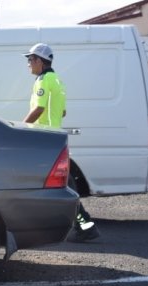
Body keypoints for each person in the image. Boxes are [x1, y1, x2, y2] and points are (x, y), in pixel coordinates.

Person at [23, 43, 100, 242]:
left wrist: (20, 128)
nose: (28, 64)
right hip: (54, 139)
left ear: (40, 60)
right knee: (55, 186)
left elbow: (39, 109)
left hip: (44, 140)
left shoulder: (42, 81)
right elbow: (62, 111)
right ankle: (83, 226)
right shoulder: (57, 80)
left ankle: (85, 227)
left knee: (52, 186)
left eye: (30, 60)